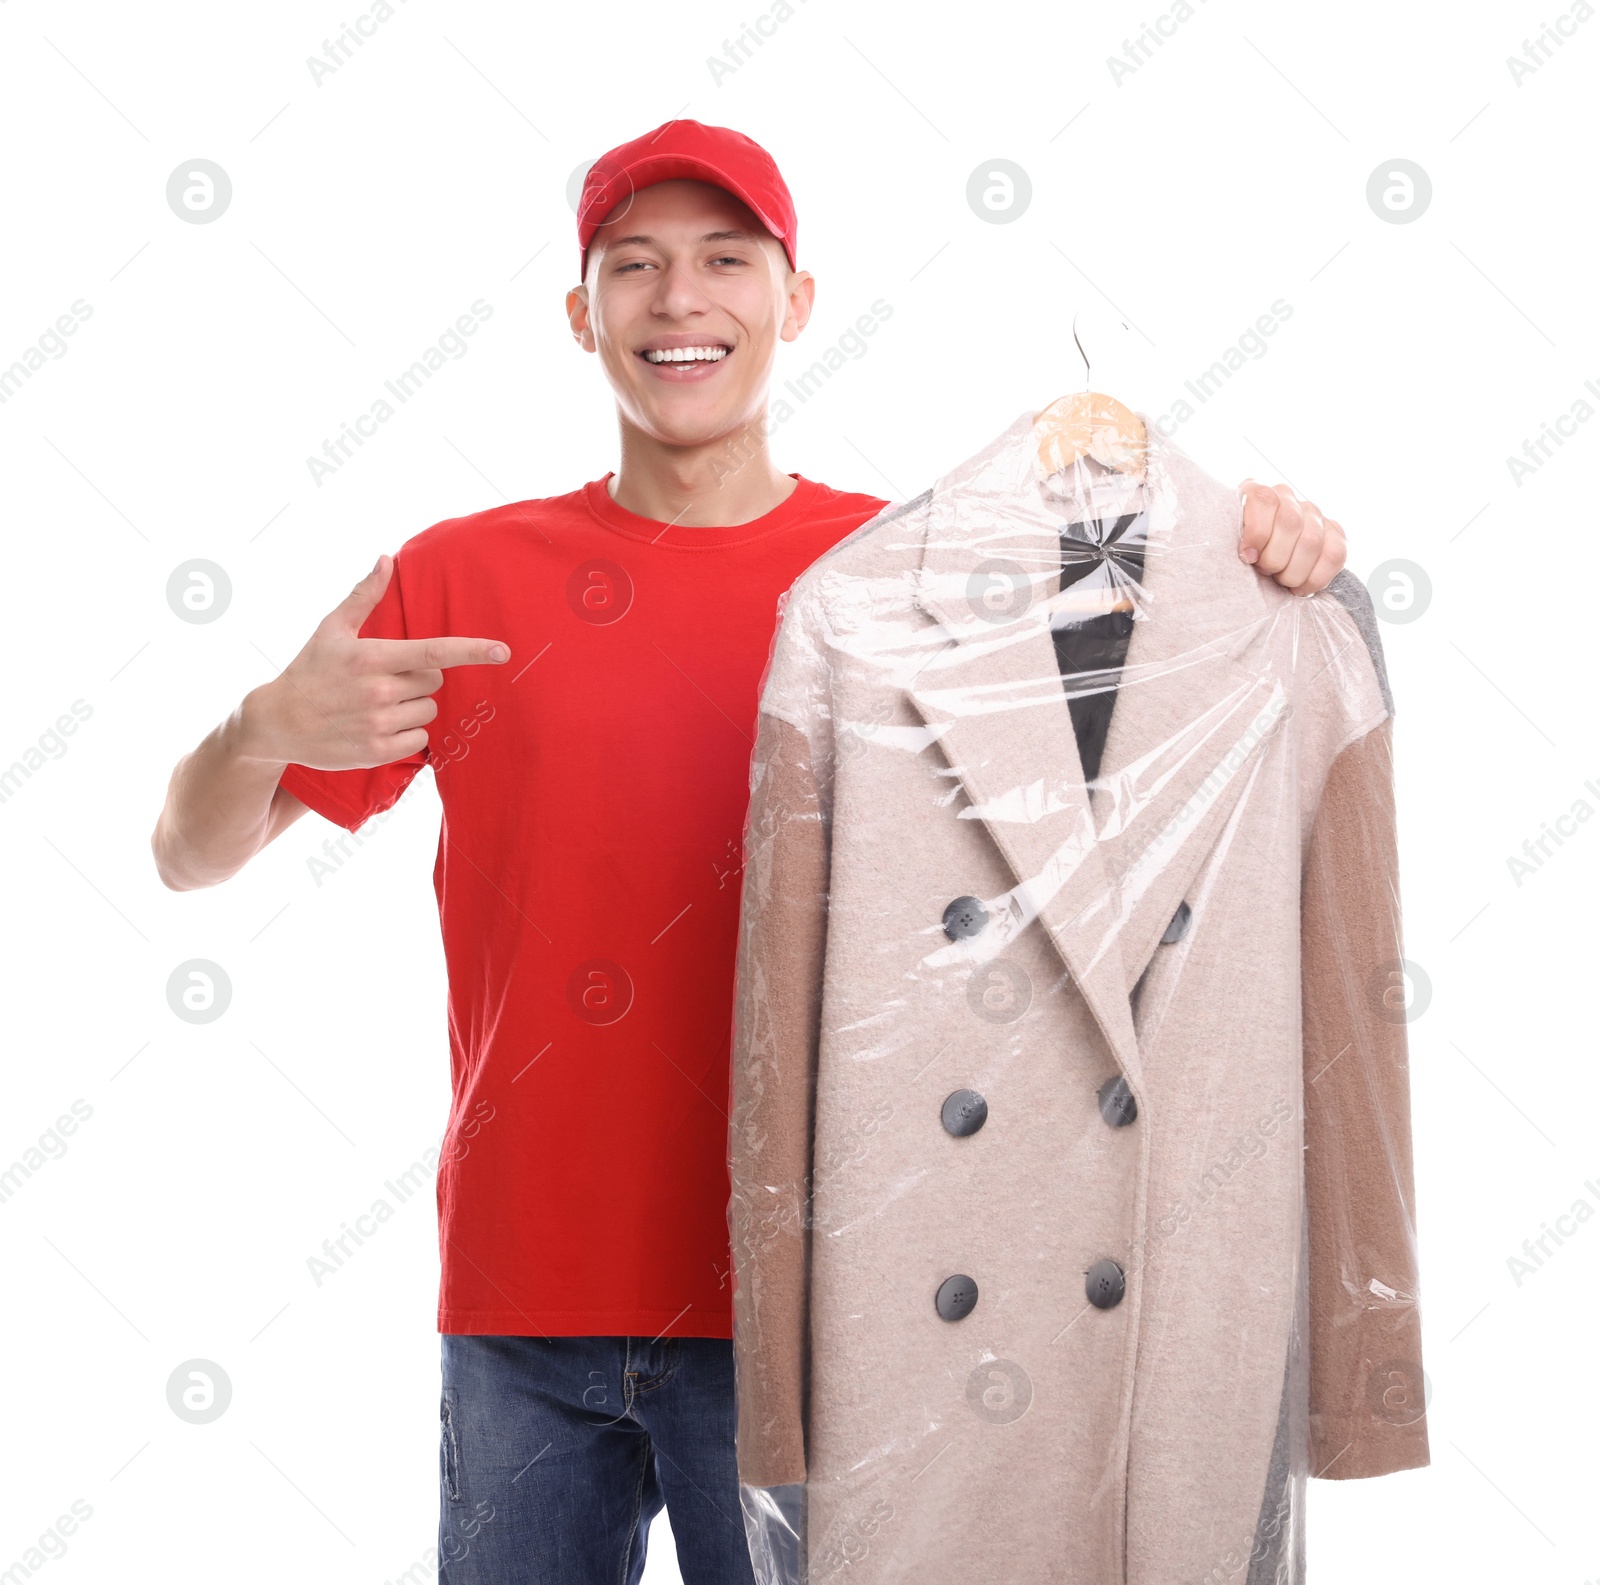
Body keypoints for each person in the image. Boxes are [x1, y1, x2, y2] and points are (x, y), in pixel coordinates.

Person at [150, 120, 1351, 1585]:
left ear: (797, 300)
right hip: (525, 1306)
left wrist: (1260, 542)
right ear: (581, 314)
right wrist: (261, 719)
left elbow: (1139, 687)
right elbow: (188, 857)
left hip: (819, 1304)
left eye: (727, 260)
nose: (680, 301)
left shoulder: (901, 579)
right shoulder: (460, 576)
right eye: (635, 266)